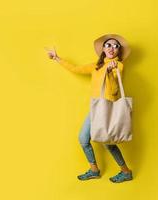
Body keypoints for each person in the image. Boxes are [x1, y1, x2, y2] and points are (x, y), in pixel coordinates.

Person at [45, 34, 133, 183]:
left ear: (119, 51)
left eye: (116, 46)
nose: (112, 48)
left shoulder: (118, 65)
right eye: (109, 45)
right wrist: (56, 58)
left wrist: (112, 68)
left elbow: (115, 74)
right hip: (96, 109)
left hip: (108, 111)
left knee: (108, 144)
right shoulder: (95, 66)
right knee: (83, 139)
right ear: (103, 49)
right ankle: (94, 170)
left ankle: (126, 172)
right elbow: (75, 68)